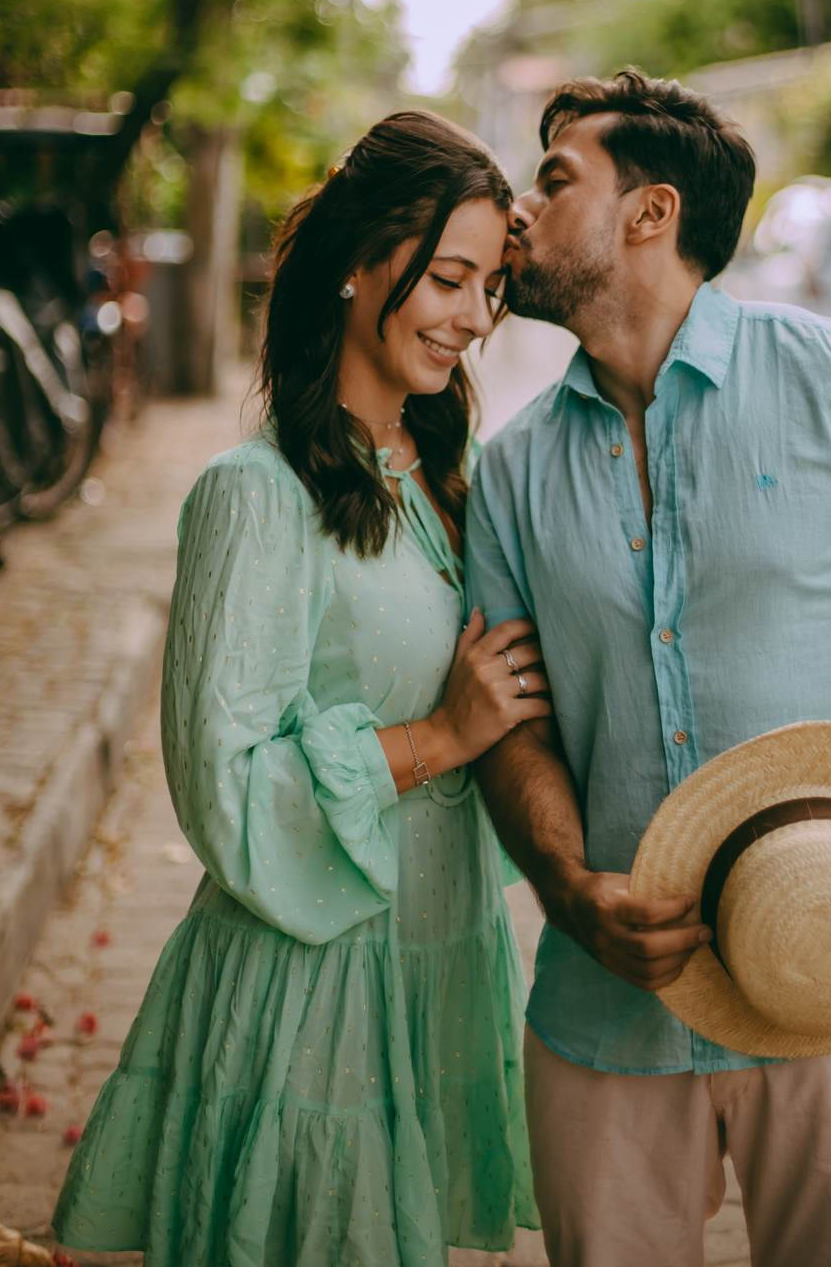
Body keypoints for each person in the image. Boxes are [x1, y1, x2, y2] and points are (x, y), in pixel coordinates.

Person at [467, 71, 831, 1267]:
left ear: (650, 212)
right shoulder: (511, 469)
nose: (516, 212)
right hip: (602, 1009)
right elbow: (510, 719)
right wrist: (571, 888)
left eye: (554, 178)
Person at [53, 111, 548, 1267]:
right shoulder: (256, 495)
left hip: (435, 947)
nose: (474, 318)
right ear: (356, 268)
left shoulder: (438, 475)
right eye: (448, 279)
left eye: (492, 290)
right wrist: (441, 736)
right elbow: (224, 786)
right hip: (317, 976)